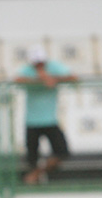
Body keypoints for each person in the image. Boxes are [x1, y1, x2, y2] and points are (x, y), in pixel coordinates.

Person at [14, 45, 77, 184]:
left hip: (50, 119)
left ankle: (36, 175)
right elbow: (17, 79)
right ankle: (34, 178)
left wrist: (54, 79)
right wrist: (40, 80)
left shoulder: (54, 67)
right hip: (32, 120)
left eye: (42, 62)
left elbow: (73, 77)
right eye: (37, 63)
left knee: (62, 153)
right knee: (31, 159)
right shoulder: (28, 70)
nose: (40, 66)